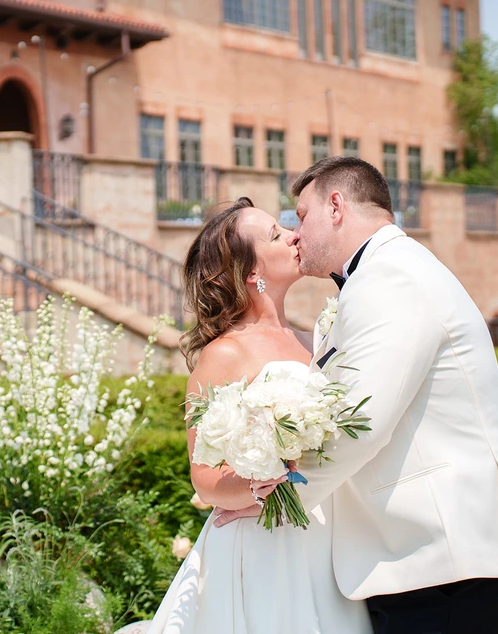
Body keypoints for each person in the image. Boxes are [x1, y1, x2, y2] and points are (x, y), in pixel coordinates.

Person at [213, 156, 498, 634]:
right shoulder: (389, 270)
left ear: (336, 207)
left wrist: (280, 496)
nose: (297, 233)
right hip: (436, 557)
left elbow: (363, 421)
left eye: (302, 215)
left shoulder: (390, 276)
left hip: (442, 557)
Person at [147, 196, 373, 634]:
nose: (293, 235)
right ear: (252, 272)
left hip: (328, 540)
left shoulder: (318, 339)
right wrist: (258, 487)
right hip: (263, 548)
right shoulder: (223, 354)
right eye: (275, 234)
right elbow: (203, 477)